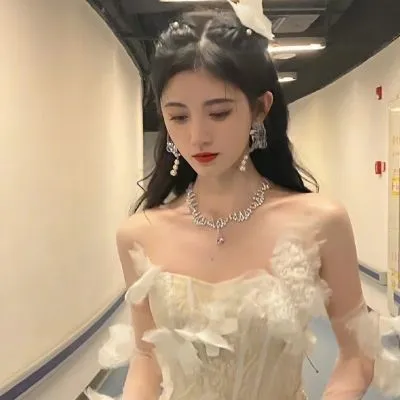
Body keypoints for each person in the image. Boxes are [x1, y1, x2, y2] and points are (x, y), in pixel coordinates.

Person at [86, 2, 400, 400]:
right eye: (178, 117)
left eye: (218, 113)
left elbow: (357, 355)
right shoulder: (139, 234)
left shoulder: (320, 222)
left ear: (260, 109)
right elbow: (146, 357)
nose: (198, 136)